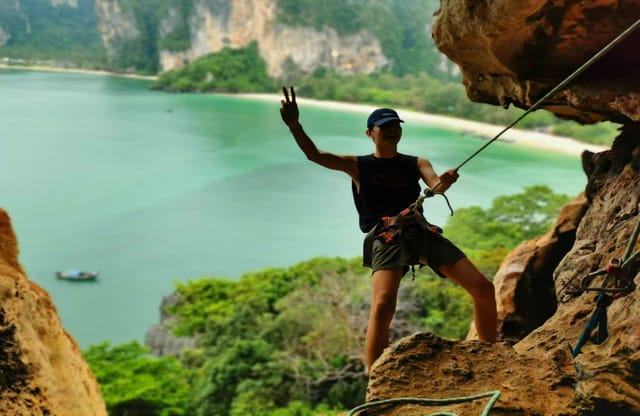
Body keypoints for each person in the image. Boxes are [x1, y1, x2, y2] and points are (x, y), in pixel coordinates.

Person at [279, 86, 497, 370]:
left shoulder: (416, 162)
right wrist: (295, 126)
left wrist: (446, 181)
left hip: (420, 232)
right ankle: (375, 378)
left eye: (395, 126)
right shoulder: (357, 165)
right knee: (382, 307)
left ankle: (491, 354)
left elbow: (435, 185)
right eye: (384, 127)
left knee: (483, 287)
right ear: (370, 133)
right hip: (386, 238)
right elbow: (315, 155)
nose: (391, 130)